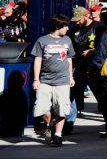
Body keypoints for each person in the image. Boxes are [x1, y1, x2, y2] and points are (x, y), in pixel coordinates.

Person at [31, 14, 75, 147]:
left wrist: (71, 77)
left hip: (62, 80)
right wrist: (36, 79)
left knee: (61, 109)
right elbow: (37, 60)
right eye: (66, 26)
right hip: (45, 80)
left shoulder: (67, 40)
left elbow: (69, 59)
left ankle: (58, 135)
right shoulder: (42, 40)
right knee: (42, 109)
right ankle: (49, 125)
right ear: (58, 26)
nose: (68, 28)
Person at [70, 6, 106, 121]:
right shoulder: (75, 30)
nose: (77, 22)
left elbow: (106, 46)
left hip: (95, 65)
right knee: (75, 90)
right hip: (80, 64)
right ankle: (74, 114)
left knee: (100, 91)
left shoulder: (99, 27)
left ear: (86, 16)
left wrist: (93, 51)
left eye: (79, 20)